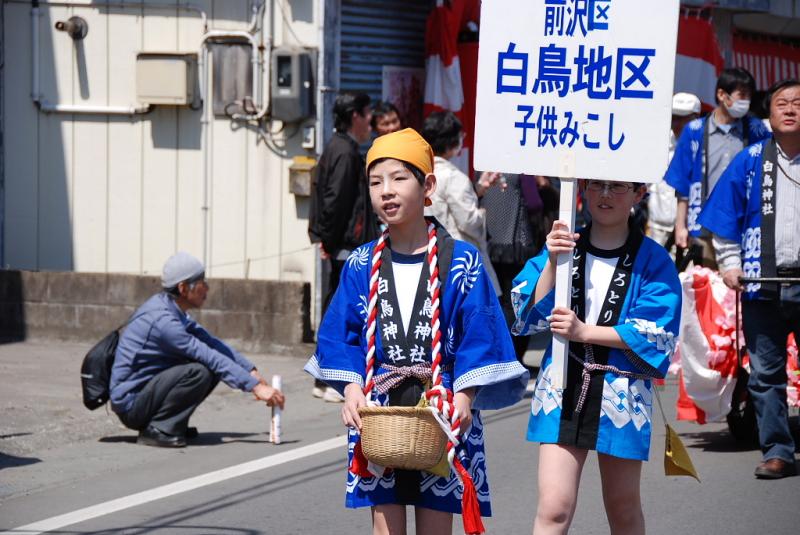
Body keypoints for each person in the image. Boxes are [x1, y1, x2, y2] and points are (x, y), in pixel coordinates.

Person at [305, 128, 528, 534]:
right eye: (375, 182)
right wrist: (353, 390)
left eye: (398, 178)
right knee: (385, 524)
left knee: (435, 521)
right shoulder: (360, 263)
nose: (386, 191)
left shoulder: (462, 260)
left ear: (427, 186)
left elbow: (481, 333)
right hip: (379, 407)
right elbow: (341, 335)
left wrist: (465, 393)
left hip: (441, 407)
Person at [512, 180, 682, 534]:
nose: (605, 195)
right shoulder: (561, 247)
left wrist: (583, 331)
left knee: (623, 508)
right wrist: (553, 264)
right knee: (554, 507)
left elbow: (657, 332)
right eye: (597, 186)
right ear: (583, 190)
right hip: (561, 385)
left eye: (617, 187)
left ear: (639, 194)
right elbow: (524, 314)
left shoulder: (653, 259)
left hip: (622, 391)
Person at [699, 79, 800, 479]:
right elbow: (724, 221)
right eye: (782, 103)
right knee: (765, 375)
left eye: (798, 102)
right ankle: (777, 449)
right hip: (763, 285)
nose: (791, 108)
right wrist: (729, 263)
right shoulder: (750, 158)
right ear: (769, 114)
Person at [109, 252, 285, 448]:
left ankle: (172, 422)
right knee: (200, 370)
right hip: (132, 406)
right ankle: (158, 428)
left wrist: (250, 370)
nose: (207, 288)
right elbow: (207, 355)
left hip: (146, 393)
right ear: (183, 288)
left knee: (211, 365)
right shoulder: (164, 322)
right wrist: (255, 387)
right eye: (201, 282)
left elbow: (212, 343)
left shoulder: (171, 308)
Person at [308, 91, 379, 402]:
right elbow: (336, 200)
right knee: (341, 311)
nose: (370, 123)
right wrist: (329, 237)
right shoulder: (346, 152)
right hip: (346, 244)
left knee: (339, 307)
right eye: (368, 115)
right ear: (355, 117)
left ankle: (328, 376)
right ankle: (327, 377)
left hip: (340, 242)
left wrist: (324, 236)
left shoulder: (337, 147)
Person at [665, 68, 770, 268]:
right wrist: (680, 225)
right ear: (722, 95)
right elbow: (683, 185)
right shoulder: (695, 131)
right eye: (741, 95)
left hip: (742, 225)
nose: (746, 101)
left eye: (749, 96)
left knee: (737, 289)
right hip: (703, 223)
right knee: (705, 285)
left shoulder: (756, 130)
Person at [421, 110, 502, 294]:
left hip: (429, 255)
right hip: (459, 261)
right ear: (452, 142)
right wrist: (483, 213)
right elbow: (469, 222)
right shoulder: (453, 176)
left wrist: (478, 189)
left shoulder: (420, 173)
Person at [481, 173, 538, 363]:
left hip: (491, 246)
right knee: (518, 304)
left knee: (500, 303)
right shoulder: (523, 172)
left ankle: (501, 357)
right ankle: (515, 358)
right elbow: (534, 202)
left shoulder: (485, 173)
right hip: (517, 245)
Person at [648, 92, 701, 249]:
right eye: (674, 117)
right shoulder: (658, 144)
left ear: (696, 117)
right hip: (658, 226)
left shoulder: (704, 145)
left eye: (683, 118)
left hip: (690, 228)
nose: (677, 122)